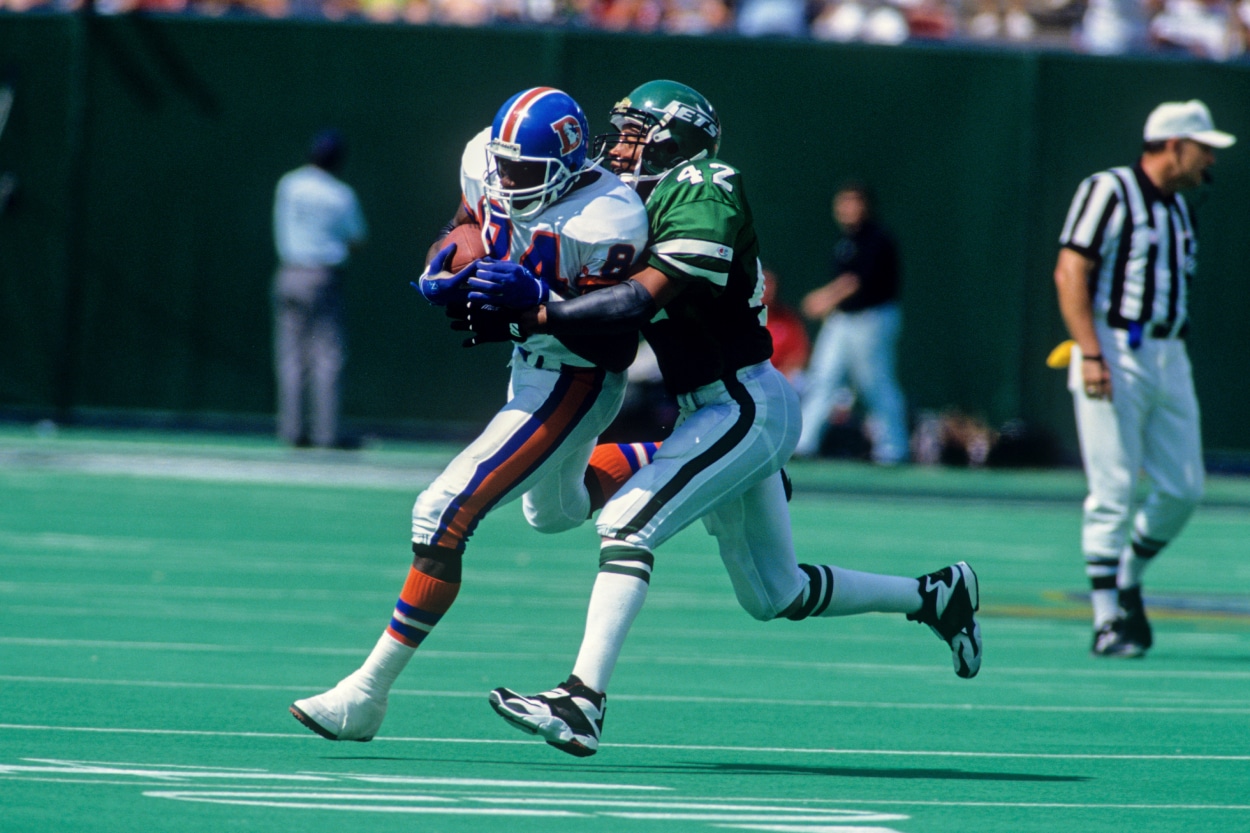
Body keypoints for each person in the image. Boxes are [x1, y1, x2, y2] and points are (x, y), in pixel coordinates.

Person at [458, 80, 981, 758]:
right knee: (775, 592)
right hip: (715, 412)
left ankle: (582, 699)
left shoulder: (706, 182)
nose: (616, 146)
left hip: (743, 403)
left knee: (625, 521)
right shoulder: (628, 199)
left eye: (632, 132)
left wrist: (536, 312)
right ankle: (935, 595)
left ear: (675, 138)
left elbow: (638, 302)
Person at [287, 87, 650, 741]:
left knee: (441, 509)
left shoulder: (610, 216)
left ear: (565, 167)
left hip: (577, 373)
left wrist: (538, 298)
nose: (507, 180)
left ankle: (365, 694)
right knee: (554, 513)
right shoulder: (485, 157)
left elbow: (618, 342)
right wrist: (445, 258)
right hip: (527, 367)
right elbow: (466, 218)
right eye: (503, 166)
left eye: (524, 172)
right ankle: (665, 459)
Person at [1053, 99, 1234, 658]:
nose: (1209, 161)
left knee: (1183, 488)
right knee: (1113, 488)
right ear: (1173, 145)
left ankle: (1127, 576)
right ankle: (1107, 618)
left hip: (1168, 350)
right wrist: (1089, 352)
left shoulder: (1180, 208)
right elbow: (1070, 270)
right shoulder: (1109, 189)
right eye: (1203, 148)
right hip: (1114, 345)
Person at [795, 182, 908, 465]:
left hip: (872, 319)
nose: (847, 208)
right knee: (823, 378)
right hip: (842, 321)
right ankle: (804, 444)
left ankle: (893, 449)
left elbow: (854, 282)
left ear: (866, 206)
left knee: (875, 383)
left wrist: (823, 299)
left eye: (854, 202)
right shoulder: (845, 241)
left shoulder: (878, 238)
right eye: (843, 202)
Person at [271, 129, 368, 449]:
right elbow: (357, 240)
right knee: (327, 356)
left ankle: (292, 430)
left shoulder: (289, 184)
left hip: (289, 272)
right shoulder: (340, 195)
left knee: (291, 356)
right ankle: (326, 434)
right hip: (322, 275)